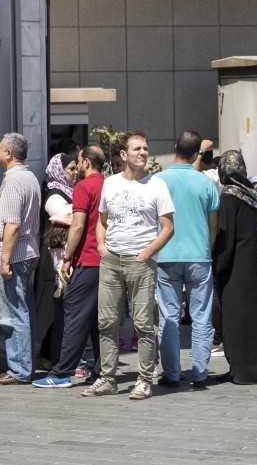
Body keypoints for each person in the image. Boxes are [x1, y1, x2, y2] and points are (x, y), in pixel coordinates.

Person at [82, 131, 174, 400]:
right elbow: (101, 220)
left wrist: (147, 253)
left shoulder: (157, 186)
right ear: (124, 155)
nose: (143, 152)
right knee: (106, 322)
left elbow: (168, 228)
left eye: (146, 148)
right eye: (137, 148)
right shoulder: (110, 184)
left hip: (140, 262)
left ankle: (145, 379)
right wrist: (101, 247)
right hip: (111, 260)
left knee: (144, 324)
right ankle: (107, 378)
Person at [33, 146, 106, 388]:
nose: (76, 168)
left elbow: (76, 226)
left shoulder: (84, 188)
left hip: (86, 259)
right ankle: (100, 368)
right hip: (106, 260)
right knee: (98, 319)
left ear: (86, 162)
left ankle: (62, 371)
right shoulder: (108, 185)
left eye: (78, 163)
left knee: (73, 315)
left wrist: (67, 258)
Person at [155, 131, 220, 389]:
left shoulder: (159, 181)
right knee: (201, 315)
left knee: (168, 315)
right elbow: (213, 226)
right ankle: (201, 372)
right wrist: (208, 249)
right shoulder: (206, 183)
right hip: (199, 256)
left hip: (166, 254)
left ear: (174, 148)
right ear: (197, 154)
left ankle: (171, 374)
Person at [0, 133, 42, 385]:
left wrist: (5, 260)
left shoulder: (13, 181)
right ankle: (24, 365)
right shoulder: (29, 177)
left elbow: (12, 225)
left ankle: (19, 369)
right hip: (27, 252)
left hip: (13, 255)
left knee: (11, 314)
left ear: (9, 154)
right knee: (23, 311)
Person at [213, 151, 257, 384]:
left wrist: (218, 267)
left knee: (235, 321)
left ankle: (241, 370)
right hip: (254, 266)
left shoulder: (228, 196)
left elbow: (227, 236)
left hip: (236, 270)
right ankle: (256, 368)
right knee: (253, 319)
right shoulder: (252, 195)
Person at [34, 153, 77, 369]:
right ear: (59, 171)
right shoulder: (54, 193)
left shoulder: (69, 191)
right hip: (53, 259)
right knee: (51, 308)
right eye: (70, 168)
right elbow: (60, 214)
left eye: (76, 168)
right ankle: (47, 355)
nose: (75, 172)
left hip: (63, 257)